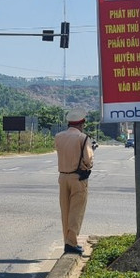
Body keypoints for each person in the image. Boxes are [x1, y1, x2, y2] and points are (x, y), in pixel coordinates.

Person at [55, 109, 96, 255]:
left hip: (63, 177)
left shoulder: (58, 137)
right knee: (76, 211)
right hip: (78, 178)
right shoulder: (83, 138)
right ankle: (71, 243)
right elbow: (88, 160)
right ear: (82, 123)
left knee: (65, 211)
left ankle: (66, 240)